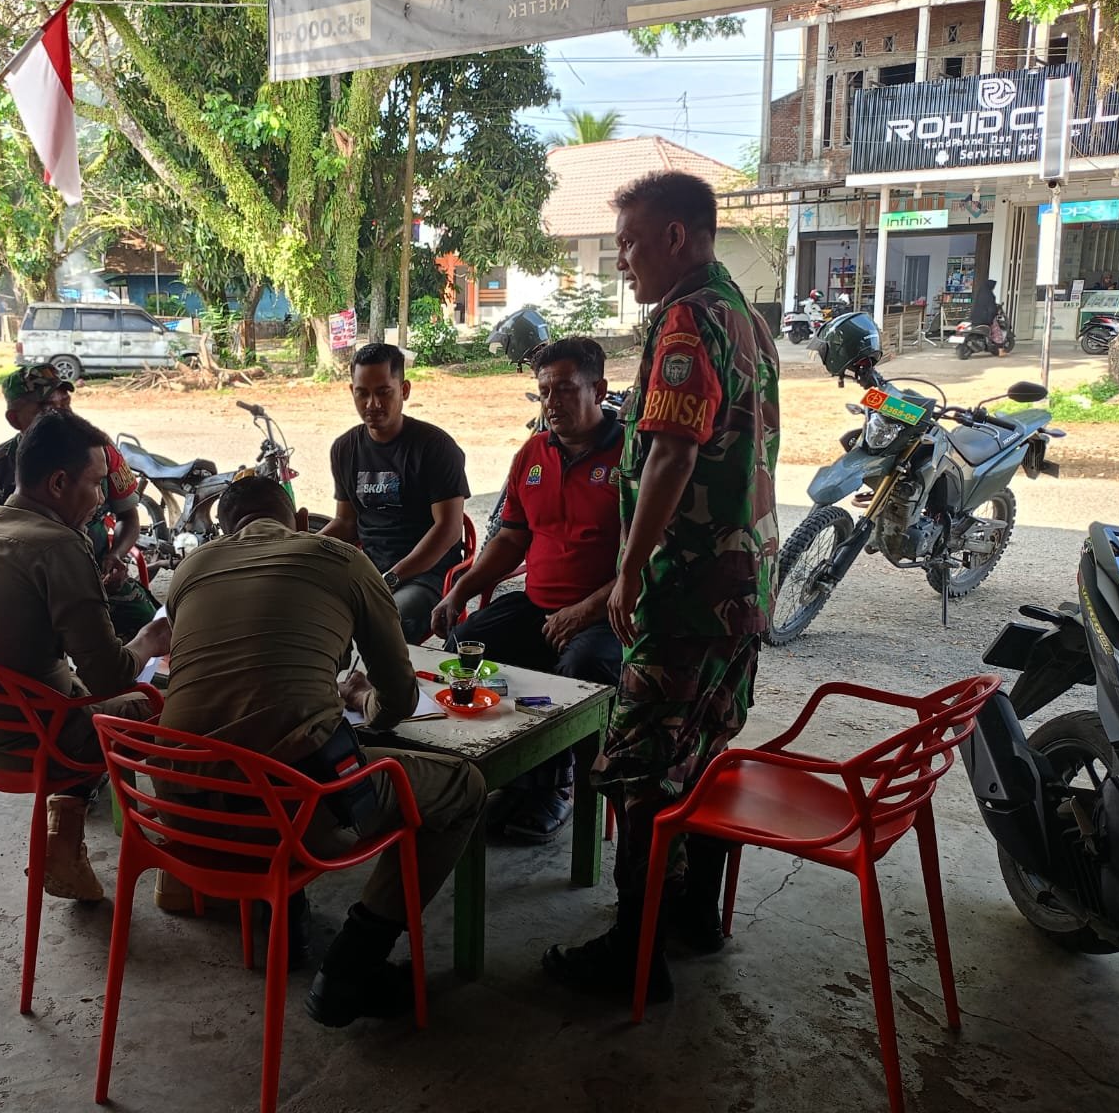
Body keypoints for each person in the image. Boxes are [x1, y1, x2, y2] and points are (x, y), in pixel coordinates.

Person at [542, 169, 779, 1005]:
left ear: (676, 237)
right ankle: (693, 917)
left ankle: (634, 955)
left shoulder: (686, 321)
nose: (623, 262)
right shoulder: (747, 317)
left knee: (643, 767)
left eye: (631, 244)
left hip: (686, 591)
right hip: (744, 588)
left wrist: (631, 568)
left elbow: (673, 454)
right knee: (702, 755)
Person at [161, 475, 486, 1027]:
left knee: (273, 744)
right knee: (463, 786)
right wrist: (362, 699)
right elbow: (399, 699)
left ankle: (286, 922)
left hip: (181, 817)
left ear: (225, 531)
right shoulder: (341, 559)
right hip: (289, 817)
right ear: (302, 520)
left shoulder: (190, 569)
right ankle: (351, 970)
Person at [0, 411, 171, 902]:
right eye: (96, 484)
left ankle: (64, 842)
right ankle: (184, 862)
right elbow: (110, 677)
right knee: (167, 706)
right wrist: (151, 637)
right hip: (31, 742)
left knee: (70, 687)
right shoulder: (60, 546)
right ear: (59, 483)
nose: (101, 499)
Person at [429, 336, 624, 845]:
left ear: (599, 389)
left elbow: (642, 561)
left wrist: (583, 612)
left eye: (565, 389)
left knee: (580, 668)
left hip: (607, 614)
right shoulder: (532, 454)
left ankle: (559, 784)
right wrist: (461, 591)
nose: (552, 403)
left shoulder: (632, 457)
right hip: (539, 603)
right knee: (466, 648)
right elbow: (511, 538)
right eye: (544, 392)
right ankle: (509, 770)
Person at [0, 364, 157, 640]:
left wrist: (115, 556)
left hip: (97, 580)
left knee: (158, 632)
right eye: (46, 408)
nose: (61, 416)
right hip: (22, 592)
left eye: (65, 404)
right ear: (14, 419)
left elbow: (128, 516)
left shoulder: (100, 453)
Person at [321, 343, 470, 644]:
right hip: (369, 571)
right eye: (362, 393)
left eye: (383, 392)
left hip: (427, 576)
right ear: (351, 391)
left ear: (404, 390)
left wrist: (392, 577)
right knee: (307, 615)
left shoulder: (435, 447)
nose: (372, 404)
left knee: (381, 626)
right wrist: (302, 548)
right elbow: (346, 523)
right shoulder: (345, 448)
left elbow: (449, 529)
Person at [969, 278, 1006, 349]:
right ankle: (1000, 349)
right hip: (985, 318)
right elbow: (992, 308)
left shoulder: (979, 294)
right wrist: (995, 313)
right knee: (997, 331)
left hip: (975, 318)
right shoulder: (990, 295)